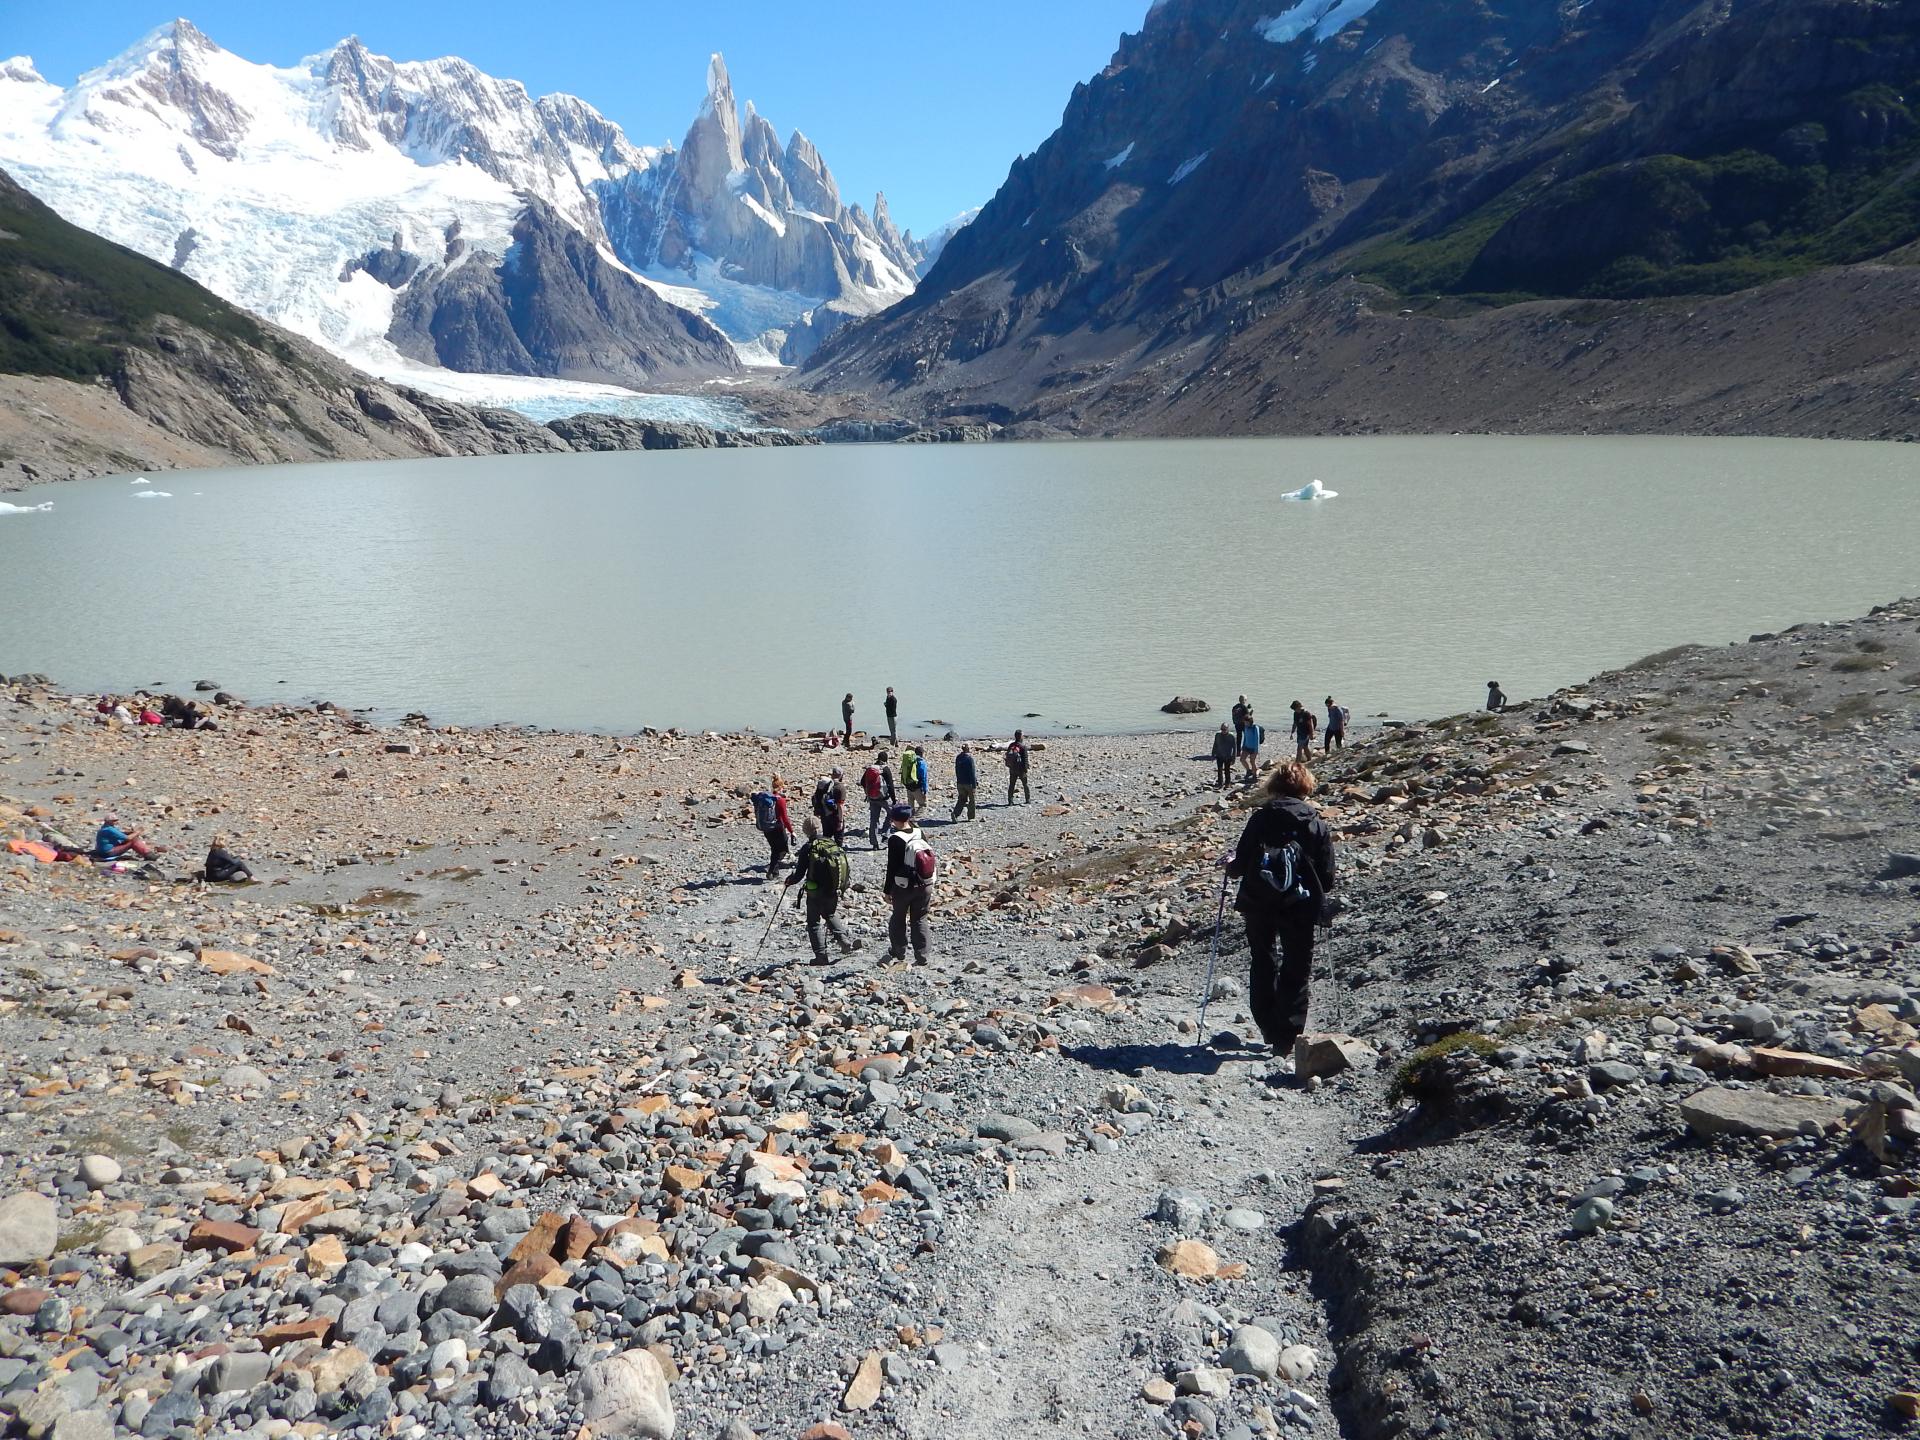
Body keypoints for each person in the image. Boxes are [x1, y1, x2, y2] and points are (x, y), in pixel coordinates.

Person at [1225, 761, 1337, 1063]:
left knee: (1263, 960)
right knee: (1297, 966)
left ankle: (1268, 1025)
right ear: (1306, 787)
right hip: (1300, 904)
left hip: (1258, 902)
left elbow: (1238, 867)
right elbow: (1327, 878)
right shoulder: (1315, 822)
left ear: (1274, 785)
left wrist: (1230, 864)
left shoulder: (1261, 819)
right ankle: (1287, 1036)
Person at [784, 819, 861, 965]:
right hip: (834, 889)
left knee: (814, 922)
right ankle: (844, 942)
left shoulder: (808, 847)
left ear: (806, 831)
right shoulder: (832, 844)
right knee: (830, 914)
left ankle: (821, 956)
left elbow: (799, 874)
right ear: (820, 827)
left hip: (815, 891)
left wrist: (789, 881)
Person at [884, 803, 933, 964]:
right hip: (925, 882)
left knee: (898, 918)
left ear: (894, 819)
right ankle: (922, 955)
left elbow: (892, 867)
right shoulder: (919, 832)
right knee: (919, 919)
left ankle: (899, 951)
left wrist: (887, 890)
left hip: (904, 886)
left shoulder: (896, 839)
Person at [753, 778, 795, 879]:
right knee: (782, 847)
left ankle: (774, 872)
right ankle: (772, 870)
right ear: (781, 787)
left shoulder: (767, 799)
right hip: (778, 828)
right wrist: (792, 831)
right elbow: (785, 818)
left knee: (774, 848)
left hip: (766, 828)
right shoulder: (780, 800)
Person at [860, 753, 895, 850]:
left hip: (872, 798)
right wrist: (894, 799)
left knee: (874, 820)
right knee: (892, 813)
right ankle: (885, 834)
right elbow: (891, 786)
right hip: (883, 798)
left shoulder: (870, 768)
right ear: (885, 759)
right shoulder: (885, 769)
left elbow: (862, 782)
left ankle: (874, 844)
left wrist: (868, 793)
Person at [93, 814, 157, 862]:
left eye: (116, 820)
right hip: (107, 852)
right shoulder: (109, 829)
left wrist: (130, 832)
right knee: (133, 841)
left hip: (102, 850)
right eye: (114, 821)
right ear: (108, 821)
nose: (116, 822)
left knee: (132, 838)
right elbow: (128, 838)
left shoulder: (105, 827)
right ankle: (149, 855)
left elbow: (119, 834)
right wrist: (138, 832)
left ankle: (146, 853)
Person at [812, 768, 847, 848]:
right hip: (835, 816)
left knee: (826, 839)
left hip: (824, 816)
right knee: (838, 839)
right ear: (841, 775)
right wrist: (840, 821)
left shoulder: (824, 785)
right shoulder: (840, 787)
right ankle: (837, 857)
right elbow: (840, 806)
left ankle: (826, 856)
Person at [951, 744, 979, 821]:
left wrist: (958, 780)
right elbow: (972, 773)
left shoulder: (958, 757)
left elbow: (956, 770)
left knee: (962, 799)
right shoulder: (969, 759)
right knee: (972, 800)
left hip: (960, 782)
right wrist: (974, 784)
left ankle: (955, 814)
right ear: (967, 749)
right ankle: (971, 816)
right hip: (968, 783)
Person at [1005, 730, 1032, 805]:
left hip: (1012, 768)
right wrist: (1026, 769)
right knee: (1025, 784)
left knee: (1011, 785)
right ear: (1021, 737)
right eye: (1023, 735)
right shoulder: (1023, 747)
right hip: (1021, 769)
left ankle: (1010, 801)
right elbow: (1025, 759)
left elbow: (1007, 756)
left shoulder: (1011, 745)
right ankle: (1028, 799)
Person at [1210, 723, 1238, 790]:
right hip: (1219, 755)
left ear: (1228, 729)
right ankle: (1220, 783)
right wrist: (1213, 754)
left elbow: (1235, 748)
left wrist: (1234, 758)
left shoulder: (1232, 736)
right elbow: (1215, 744)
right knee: (1219, 770)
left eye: (1224, 729)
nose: (1223, 731)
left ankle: (1227, 783)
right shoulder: (1218, 735)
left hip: (1228, 756)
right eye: (1222, 729)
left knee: (1227, 770)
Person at [1239, 711, 1263, 780]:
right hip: (1246, 746)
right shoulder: (1246, 727)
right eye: (1244, 722)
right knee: (1242, 759)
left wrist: (1256, 750)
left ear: (1250, 721)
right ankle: (1248, 770)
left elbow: (1257, 739)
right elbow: (1245, 736)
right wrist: (1243, 745)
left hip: (1253, 748)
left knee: (1252, 761)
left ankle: (1254, 775)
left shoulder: (1255, 727)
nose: (1245, 723)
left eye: (1246, 722)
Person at [910, 747, 931, 814]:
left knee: (911, 807)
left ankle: (908, 821)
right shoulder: (921, 762)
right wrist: (924, 790)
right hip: (917, 787)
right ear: (922, 753)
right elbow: (923, 777)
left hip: (909, 786)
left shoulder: (910, 761)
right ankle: (915, 821)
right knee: (923, 805)